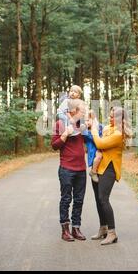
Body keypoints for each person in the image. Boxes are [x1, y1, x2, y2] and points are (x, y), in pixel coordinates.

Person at [88, 106, 132, 245]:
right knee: (98, 199)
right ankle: (103, 228)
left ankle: (112, 233)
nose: (110, 118)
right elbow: (99, 141)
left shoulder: (119, 134)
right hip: (99, 167)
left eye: (113, 116)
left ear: (119, 119)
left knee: (103, 198)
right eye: (110, 115)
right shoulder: (108, 128)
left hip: (110, 169)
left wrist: (94, 130)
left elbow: (100, 142)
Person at [51, 99, 87, 242]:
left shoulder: (82, 125)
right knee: (66, 199)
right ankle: (65, 230)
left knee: (79, 200)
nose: (83, 112)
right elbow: (54, 145)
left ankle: (76, 228)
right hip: (66, 168)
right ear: (72, 111)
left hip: (81, 169)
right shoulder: (60, 124)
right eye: (81, 110)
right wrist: (65, 134)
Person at [83, 110, 103, 183]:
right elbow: (88, 139)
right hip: (94, 152)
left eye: (88, 120)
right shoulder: (86, 131)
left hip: (101, 149)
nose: (86, 122)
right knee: (98, 156)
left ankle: (93, 172)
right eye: (85, 120)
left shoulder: (100, 127)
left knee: (99, 156)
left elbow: (102, 137)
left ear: (93, 119)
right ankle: (93, 172)